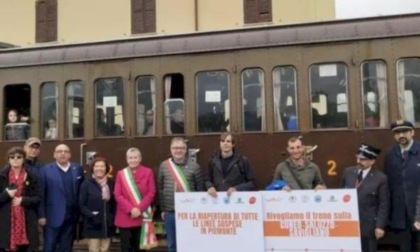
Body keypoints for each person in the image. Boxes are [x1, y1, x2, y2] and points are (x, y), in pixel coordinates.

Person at [158, 137, 205, 252]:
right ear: (171, 149)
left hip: (190, 213)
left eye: (181, 148)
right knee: (172, 245)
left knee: (190, 244)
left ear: (185, 150)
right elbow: (161, 189)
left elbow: (200, 190)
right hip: (170, 212)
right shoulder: (164, 166)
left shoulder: (195, 167)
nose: (178, 151)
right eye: (175, 148)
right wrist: (163, 209)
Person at [341, 144, 389, 252]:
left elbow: (384, 204)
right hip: (348, 224)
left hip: (369, 227)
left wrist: (380, 226)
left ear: (372, 161)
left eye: (362, 159)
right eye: (357, 158)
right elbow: (341, 195)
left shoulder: (380, 178)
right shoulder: (348, 172)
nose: (358, 161)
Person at [38, 144, 84, 252]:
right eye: (59, 151)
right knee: (49, 247)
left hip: (71, 217)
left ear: (70, 154)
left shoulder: (77, 169)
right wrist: (41, 216)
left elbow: (81, 192)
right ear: (54, 155)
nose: (62, 153)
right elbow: (41, 195)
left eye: (65, 151)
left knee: (66, 247)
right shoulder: (45, 170)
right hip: (52, 217)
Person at [384, 120, 420, 252]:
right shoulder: (390, 154)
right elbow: (389, 182)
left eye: (404, 131)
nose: (401, 135)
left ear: (412, 132)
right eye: (397, 133)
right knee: (405, 246)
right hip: (400, 212)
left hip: (418, 209)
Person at [114, 147, 156, 252]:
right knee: (126, 247)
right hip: (125, 216)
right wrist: (131, 209)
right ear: (127, 159)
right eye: (130, 158)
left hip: (142, 216)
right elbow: (117, 194)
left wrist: (139, 209)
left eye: (135, 157)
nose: (133, 160)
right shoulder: (121, 174)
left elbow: (151, 192)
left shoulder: (148, 172)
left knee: (140, 248)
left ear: (140, 158)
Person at [0, 147, 41, 252]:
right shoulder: (2, 177)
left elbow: (38, 198)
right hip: (6, 223)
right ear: (8, 159)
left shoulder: (32, 177)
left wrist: (23, 200)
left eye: (19, 157)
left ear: (24, 159)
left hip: (27, 222)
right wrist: (6, 194)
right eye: (12, 157)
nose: (15, 159)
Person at [79, 157, 115, 252]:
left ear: (106, 168)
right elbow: (81, 204)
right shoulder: (86, 184)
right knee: (94, 249)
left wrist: (112, 217)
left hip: (107, 225)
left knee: (105, 249)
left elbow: (114, 203)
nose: (99, 169)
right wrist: (91, 215)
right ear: (93, 168)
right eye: (97, 166)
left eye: (102, 166)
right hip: (93, 225)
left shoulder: (111, 183)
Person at [205, 132, 256, 197]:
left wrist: (237, 189)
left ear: (233, 144)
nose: (225, 143)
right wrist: (210, 187)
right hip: (217, 200)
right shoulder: (213, 161)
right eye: (223, 141)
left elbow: (252, 183)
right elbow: (207, 179)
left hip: (237, 201)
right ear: (220, 144)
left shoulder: (242, 160)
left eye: (228, 141)